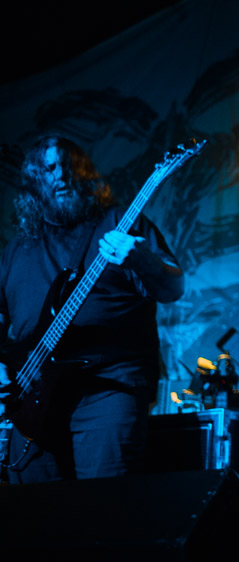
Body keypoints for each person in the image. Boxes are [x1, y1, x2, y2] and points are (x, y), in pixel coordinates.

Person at [0, 135, 184, 483]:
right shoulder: (16, 250)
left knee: (103, 506)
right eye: (49, 169)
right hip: (32, 396)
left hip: (107, 386)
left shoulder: (119, 222)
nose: (62, 175)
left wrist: (141, 259)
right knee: (32, 511)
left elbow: (172, 288)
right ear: (33, 182)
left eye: (69, 166)